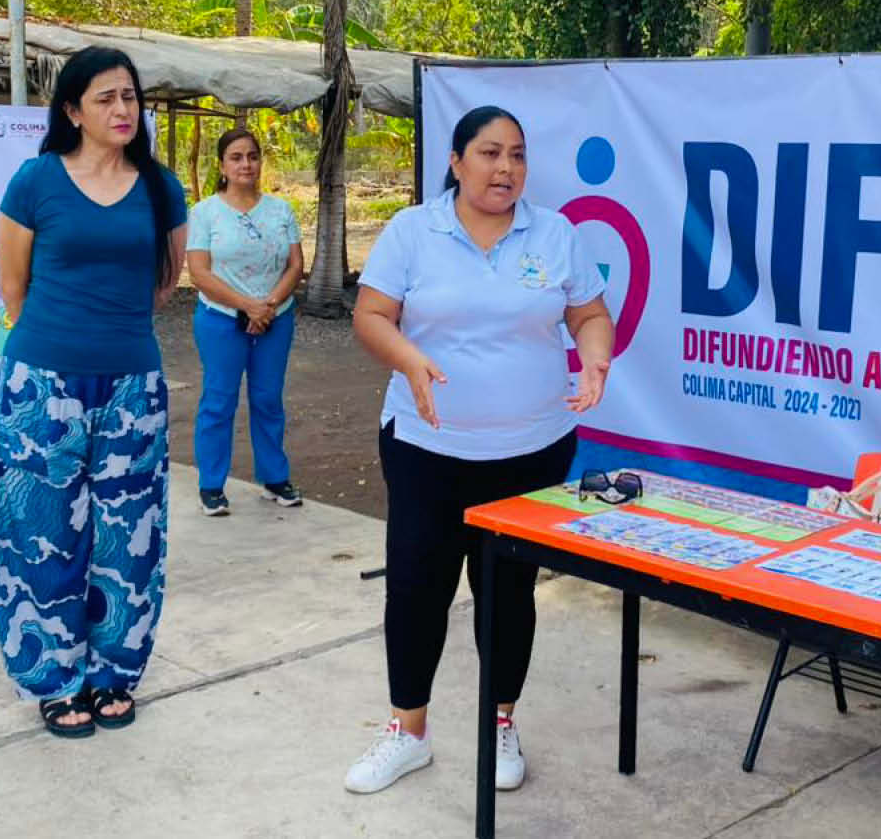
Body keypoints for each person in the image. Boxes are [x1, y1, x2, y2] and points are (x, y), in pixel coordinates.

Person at [344, 105, 615, 794]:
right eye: (490, 153)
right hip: (427, 448)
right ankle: (408, 731)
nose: (506, 168)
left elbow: (588, 313)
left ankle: (500, 723)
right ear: (456, 161)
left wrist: (594, 357)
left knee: (508, 591)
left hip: (531, 451)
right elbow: (371, 315)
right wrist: (409, 359)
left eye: (517, 155)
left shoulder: (554, 233)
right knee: (417, 587)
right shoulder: (413, 230)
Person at [0, 46, 187, 737]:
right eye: (106, 98)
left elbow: (163, 282)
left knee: (129, 536)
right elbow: (13, 287)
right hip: (40, 385)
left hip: (133, 383)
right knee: (40, 531)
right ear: (72, 110)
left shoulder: (160, 187)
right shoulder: (35, 180)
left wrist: (108, 336)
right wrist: (63, 345)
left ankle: (113, 671)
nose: (122, 109)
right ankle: (56, 679)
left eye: (129, 96)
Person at [185, 129, 305, 516]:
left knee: (268, 398)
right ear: (222, 165)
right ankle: (211, 485)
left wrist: (268, 305)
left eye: (252, 156)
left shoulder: (281, 210)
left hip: (275, 318)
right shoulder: (204, 212)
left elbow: (295, 265)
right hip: (221, 319)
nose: (246, 164)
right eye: (236, 157)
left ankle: (274, 478)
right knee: (219, 400)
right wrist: (247, 307)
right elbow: (199, 272)